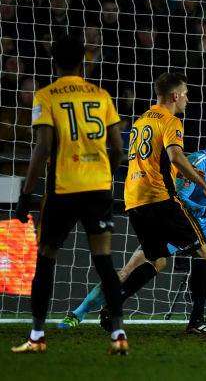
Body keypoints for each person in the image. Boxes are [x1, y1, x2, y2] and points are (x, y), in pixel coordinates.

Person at [62, 119, 206, 328]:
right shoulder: (194, 163)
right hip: (179, 225)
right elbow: (178, 199)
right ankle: (78, 312)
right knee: (134, 268)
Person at [12, 35, 127, 355]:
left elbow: (43, 147)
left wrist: (26, 193)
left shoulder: (46, 96)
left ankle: (37, 336)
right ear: (83, 61)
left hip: (63, 189)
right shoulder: (101, 95)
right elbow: (118, 147)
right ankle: (118, 334)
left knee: (46, 259)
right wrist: (105, 173)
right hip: (98, 189)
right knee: (104, 262)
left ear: (54, 62)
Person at [109, 72, 206, 335]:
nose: (187, 99)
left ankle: (113, 306)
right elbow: (175, 155)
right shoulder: (171, 121)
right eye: (185, 94)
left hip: (134, 200)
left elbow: (154, 161)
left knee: (156, 258)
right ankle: (197, 320)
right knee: (203, 252)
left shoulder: (141, 121)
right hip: (160, 198)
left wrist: (184, 174)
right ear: (174, 96)